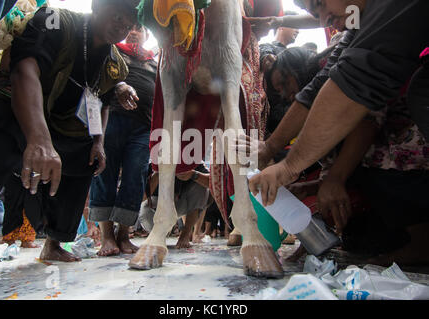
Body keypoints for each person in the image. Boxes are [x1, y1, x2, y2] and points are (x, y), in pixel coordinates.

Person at [248, 0, 429, 265]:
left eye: (320, 4)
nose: (324, 20)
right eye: (315, 13)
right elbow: (317, 90)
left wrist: (292, 167)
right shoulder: (357, 27)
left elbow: (358, 88)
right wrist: (270, 148)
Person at [0, 0, 139, 262]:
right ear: (97, 6)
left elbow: (102, 103)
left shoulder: (116, 64)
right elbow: (24, 69)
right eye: (118, 15)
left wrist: (98, 143)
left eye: (129, 22)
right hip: (20, 106)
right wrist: (39, 139)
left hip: (64, 123)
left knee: (89, 159)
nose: (123, 25)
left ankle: (54, 243)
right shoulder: (56, 19)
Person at [89, 24, 157, 256]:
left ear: (146, 35)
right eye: (130, 27)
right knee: (103, 173)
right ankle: (107, 237)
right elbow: (97, 79)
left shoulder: (154, 62)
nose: (134, 31)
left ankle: (124, 236)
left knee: (136, 176)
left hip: (143, 127)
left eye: (139, 28)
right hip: (111, 119)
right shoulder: (111, 51)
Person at [140, 164, 213, 249]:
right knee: (146, 214)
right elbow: (141, 197)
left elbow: (212, 182)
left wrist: (194, 175)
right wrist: (157, 174)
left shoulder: (190, 159)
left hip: (179, 202)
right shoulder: (152, 162)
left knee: (201, 185)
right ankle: (158, 233)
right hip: (156, 204)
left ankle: (186, 233)